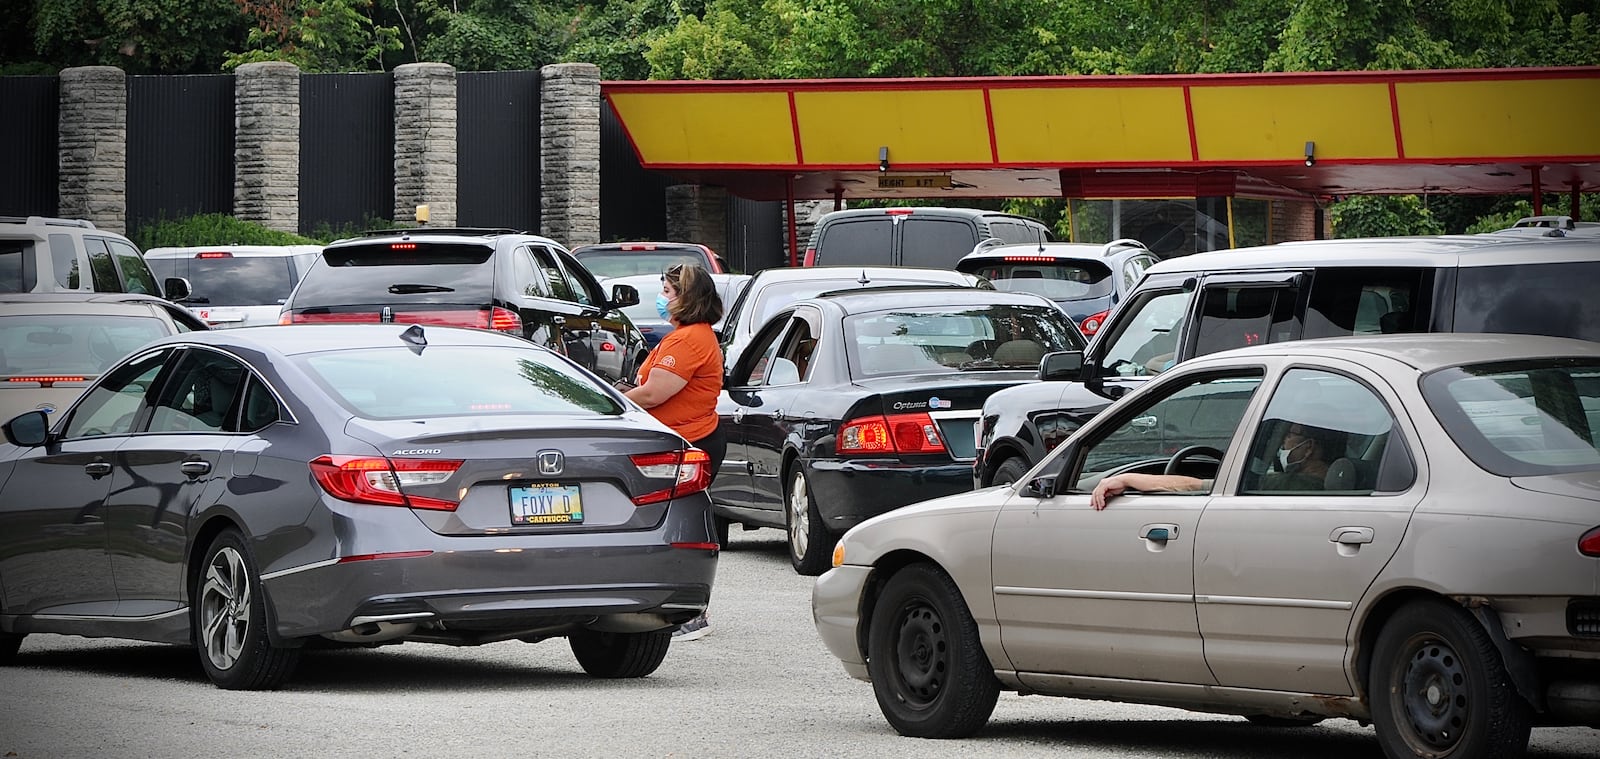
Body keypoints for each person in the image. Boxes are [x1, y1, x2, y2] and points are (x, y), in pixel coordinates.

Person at [621, 262, 724, 642]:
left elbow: (653, 393)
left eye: (667, 292)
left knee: (680, 527)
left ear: (687, 298)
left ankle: (690, 612)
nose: (662, 300)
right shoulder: (688, 335)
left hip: (688, 440)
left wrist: (612, 404)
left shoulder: (687, 340)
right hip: (690, 437)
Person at [1089, 422, 1342, 510]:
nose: (1281, 444)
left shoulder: (1289, 485)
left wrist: (1128, 479)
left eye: (1288, 435)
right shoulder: (1341, 482)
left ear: (1309, 447)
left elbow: (1195, 485)